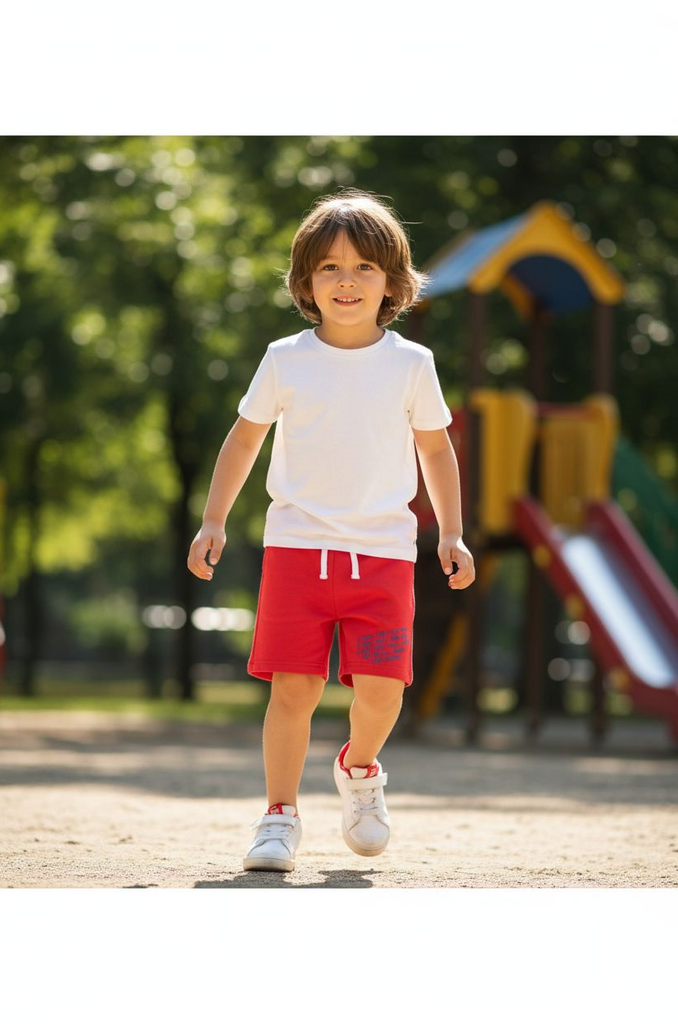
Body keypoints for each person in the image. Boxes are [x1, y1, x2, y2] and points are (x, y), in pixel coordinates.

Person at [187, 188, 475, 873]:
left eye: (364, 267)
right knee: (294, 689)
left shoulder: (412, 364)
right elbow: (245, 439)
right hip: (297, 551)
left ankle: (359, 768)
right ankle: (278, 817)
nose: (347, 281)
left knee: (382, 689)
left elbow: (436, 449)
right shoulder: (285, 358)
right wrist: (213, 519)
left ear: (392, 282)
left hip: (382, 556)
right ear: (306, 283)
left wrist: (451, 533)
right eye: (329, 268)